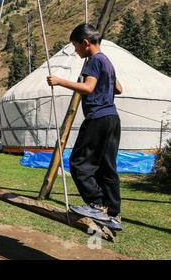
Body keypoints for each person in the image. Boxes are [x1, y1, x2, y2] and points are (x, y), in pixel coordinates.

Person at [46, 24, 123, 231]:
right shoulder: (107, 61)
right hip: (113, 119)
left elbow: (88, 88)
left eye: (76, 45)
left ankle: (97, 205)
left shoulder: (94, 61)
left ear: (86, 43)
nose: (75, 50)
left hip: (97, 118)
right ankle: (113, 214)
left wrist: (59, 81)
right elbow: (119, 88)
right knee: (107, 167)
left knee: (79, 163)